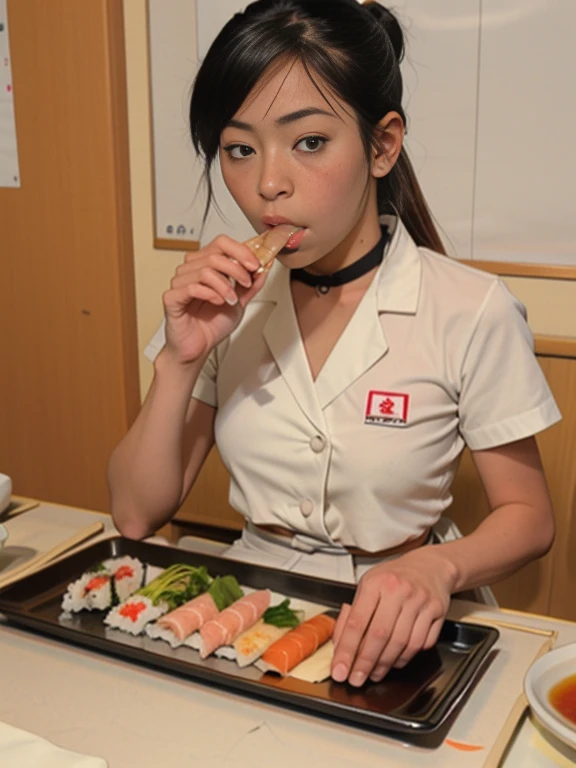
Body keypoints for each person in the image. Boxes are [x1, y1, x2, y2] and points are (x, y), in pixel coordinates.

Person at [108, 0, 560, 688]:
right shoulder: (224, 299)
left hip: (402, 630)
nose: (267, 183)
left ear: (382, 145)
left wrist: (438, 566)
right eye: (239, 148)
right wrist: (179, 359)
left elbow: (529, 519)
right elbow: (136, 512)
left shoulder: (472, 308)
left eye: (309, 142)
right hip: (245, 614)